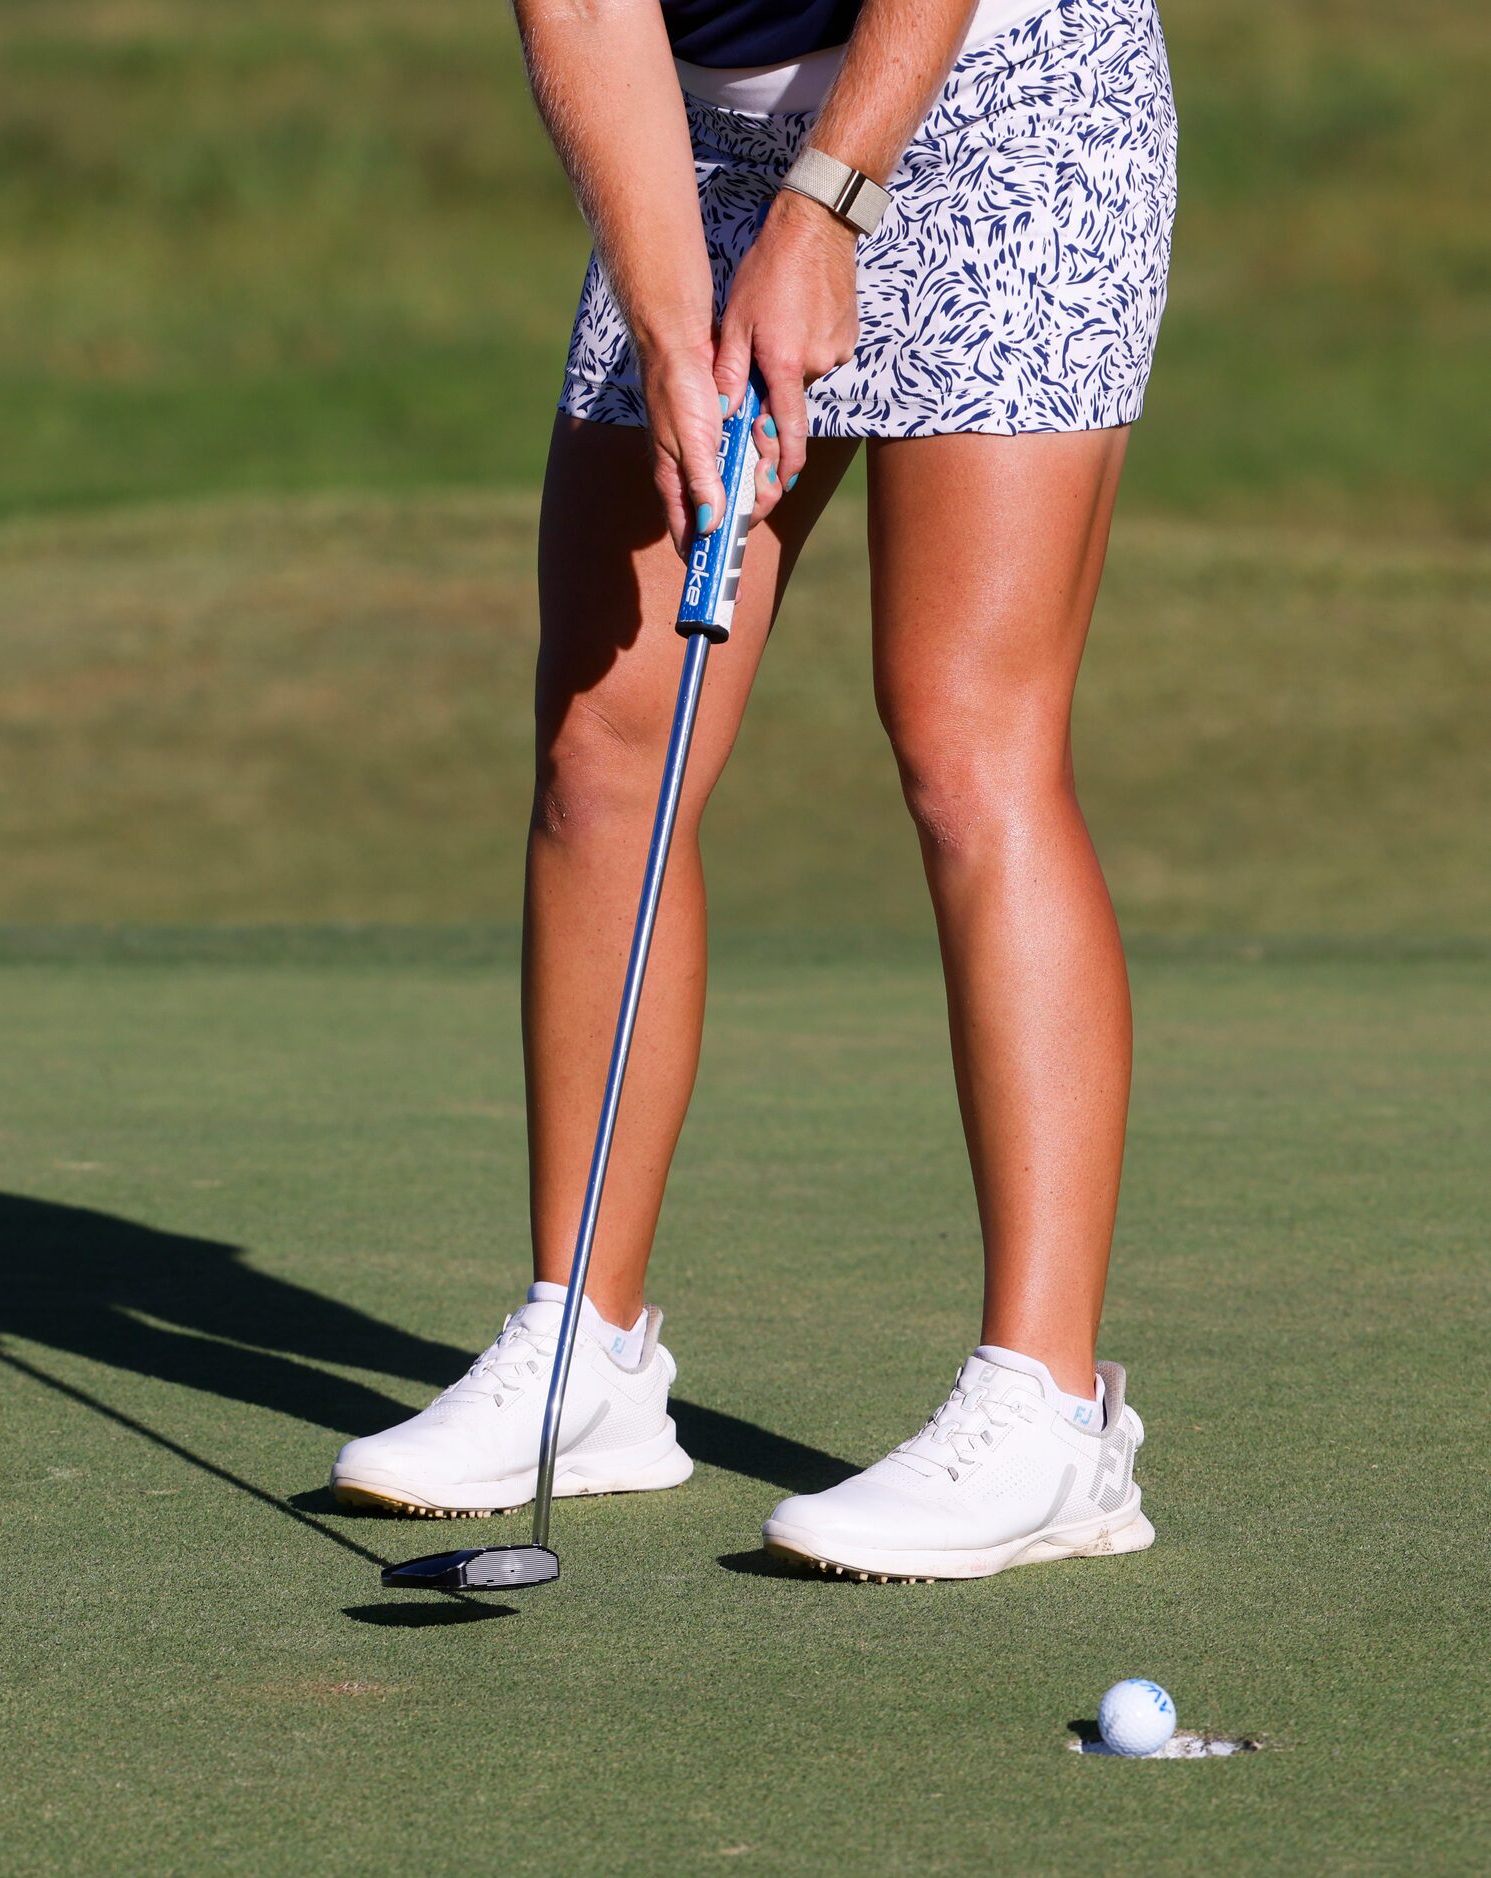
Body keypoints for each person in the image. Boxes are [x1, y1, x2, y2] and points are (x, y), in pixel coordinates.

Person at [330, 0, 1176, 1579]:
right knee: (605, 737)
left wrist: (828, 201)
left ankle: (1049, 1411)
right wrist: (670, 321)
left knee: (962, 739)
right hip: (702, 146)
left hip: (1000, 101)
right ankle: (585, 1353)